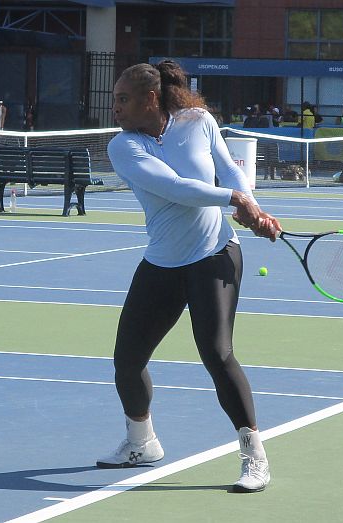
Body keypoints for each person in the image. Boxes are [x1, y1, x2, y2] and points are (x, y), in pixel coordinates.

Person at [99, 60, 281, 493]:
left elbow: (230, 169)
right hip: (163, 262)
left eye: (123, 99)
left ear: (150, 99)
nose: (115, 108)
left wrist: (250, 203)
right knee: (127, 360)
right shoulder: (124, 147)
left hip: (214, 254)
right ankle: (142, 442)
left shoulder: (198, 121)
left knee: (217, 353)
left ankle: (255, 457)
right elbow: (176, 188)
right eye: (115, 100)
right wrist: (235, 199)